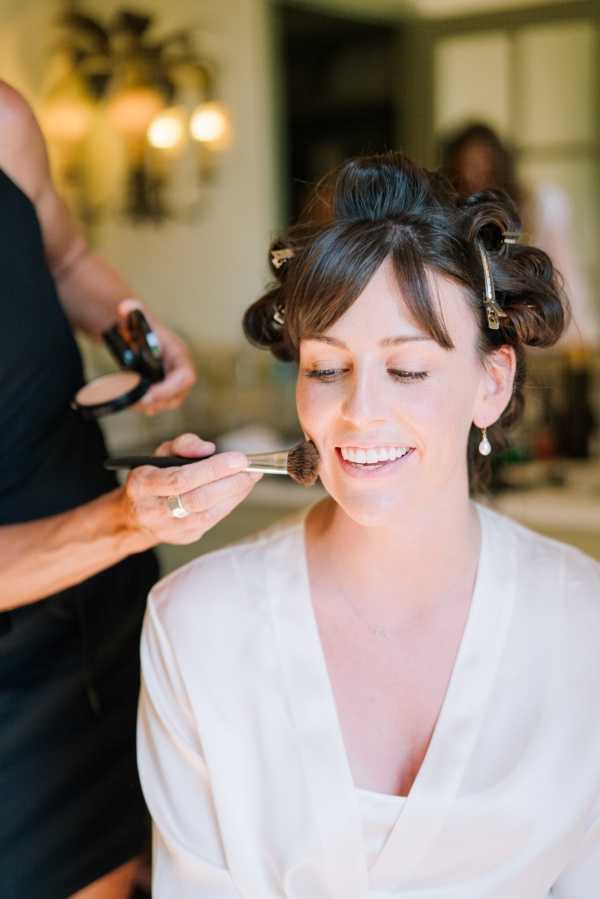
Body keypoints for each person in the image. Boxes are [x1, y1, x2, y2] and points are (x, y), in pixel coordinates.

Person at [138, 152, 600, 898]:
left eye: (408, 370)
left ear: (492, 382)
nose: (359, 411)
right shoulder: (196, 624)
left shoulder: (584, 623)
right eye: (326, 369)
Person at [0, 80, 262, 899]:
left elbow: (67, 258)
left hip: (101, 614)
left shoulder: (4, 121)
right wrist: (127, 519)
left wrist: (135, 332)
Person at [439, 121, 600, 346]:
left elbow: (563, 272)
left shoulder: (537, 205)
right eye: (468, 165)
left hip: (536, 320)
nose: (475, 174)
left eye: (483, 164)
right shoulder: (450, 215)